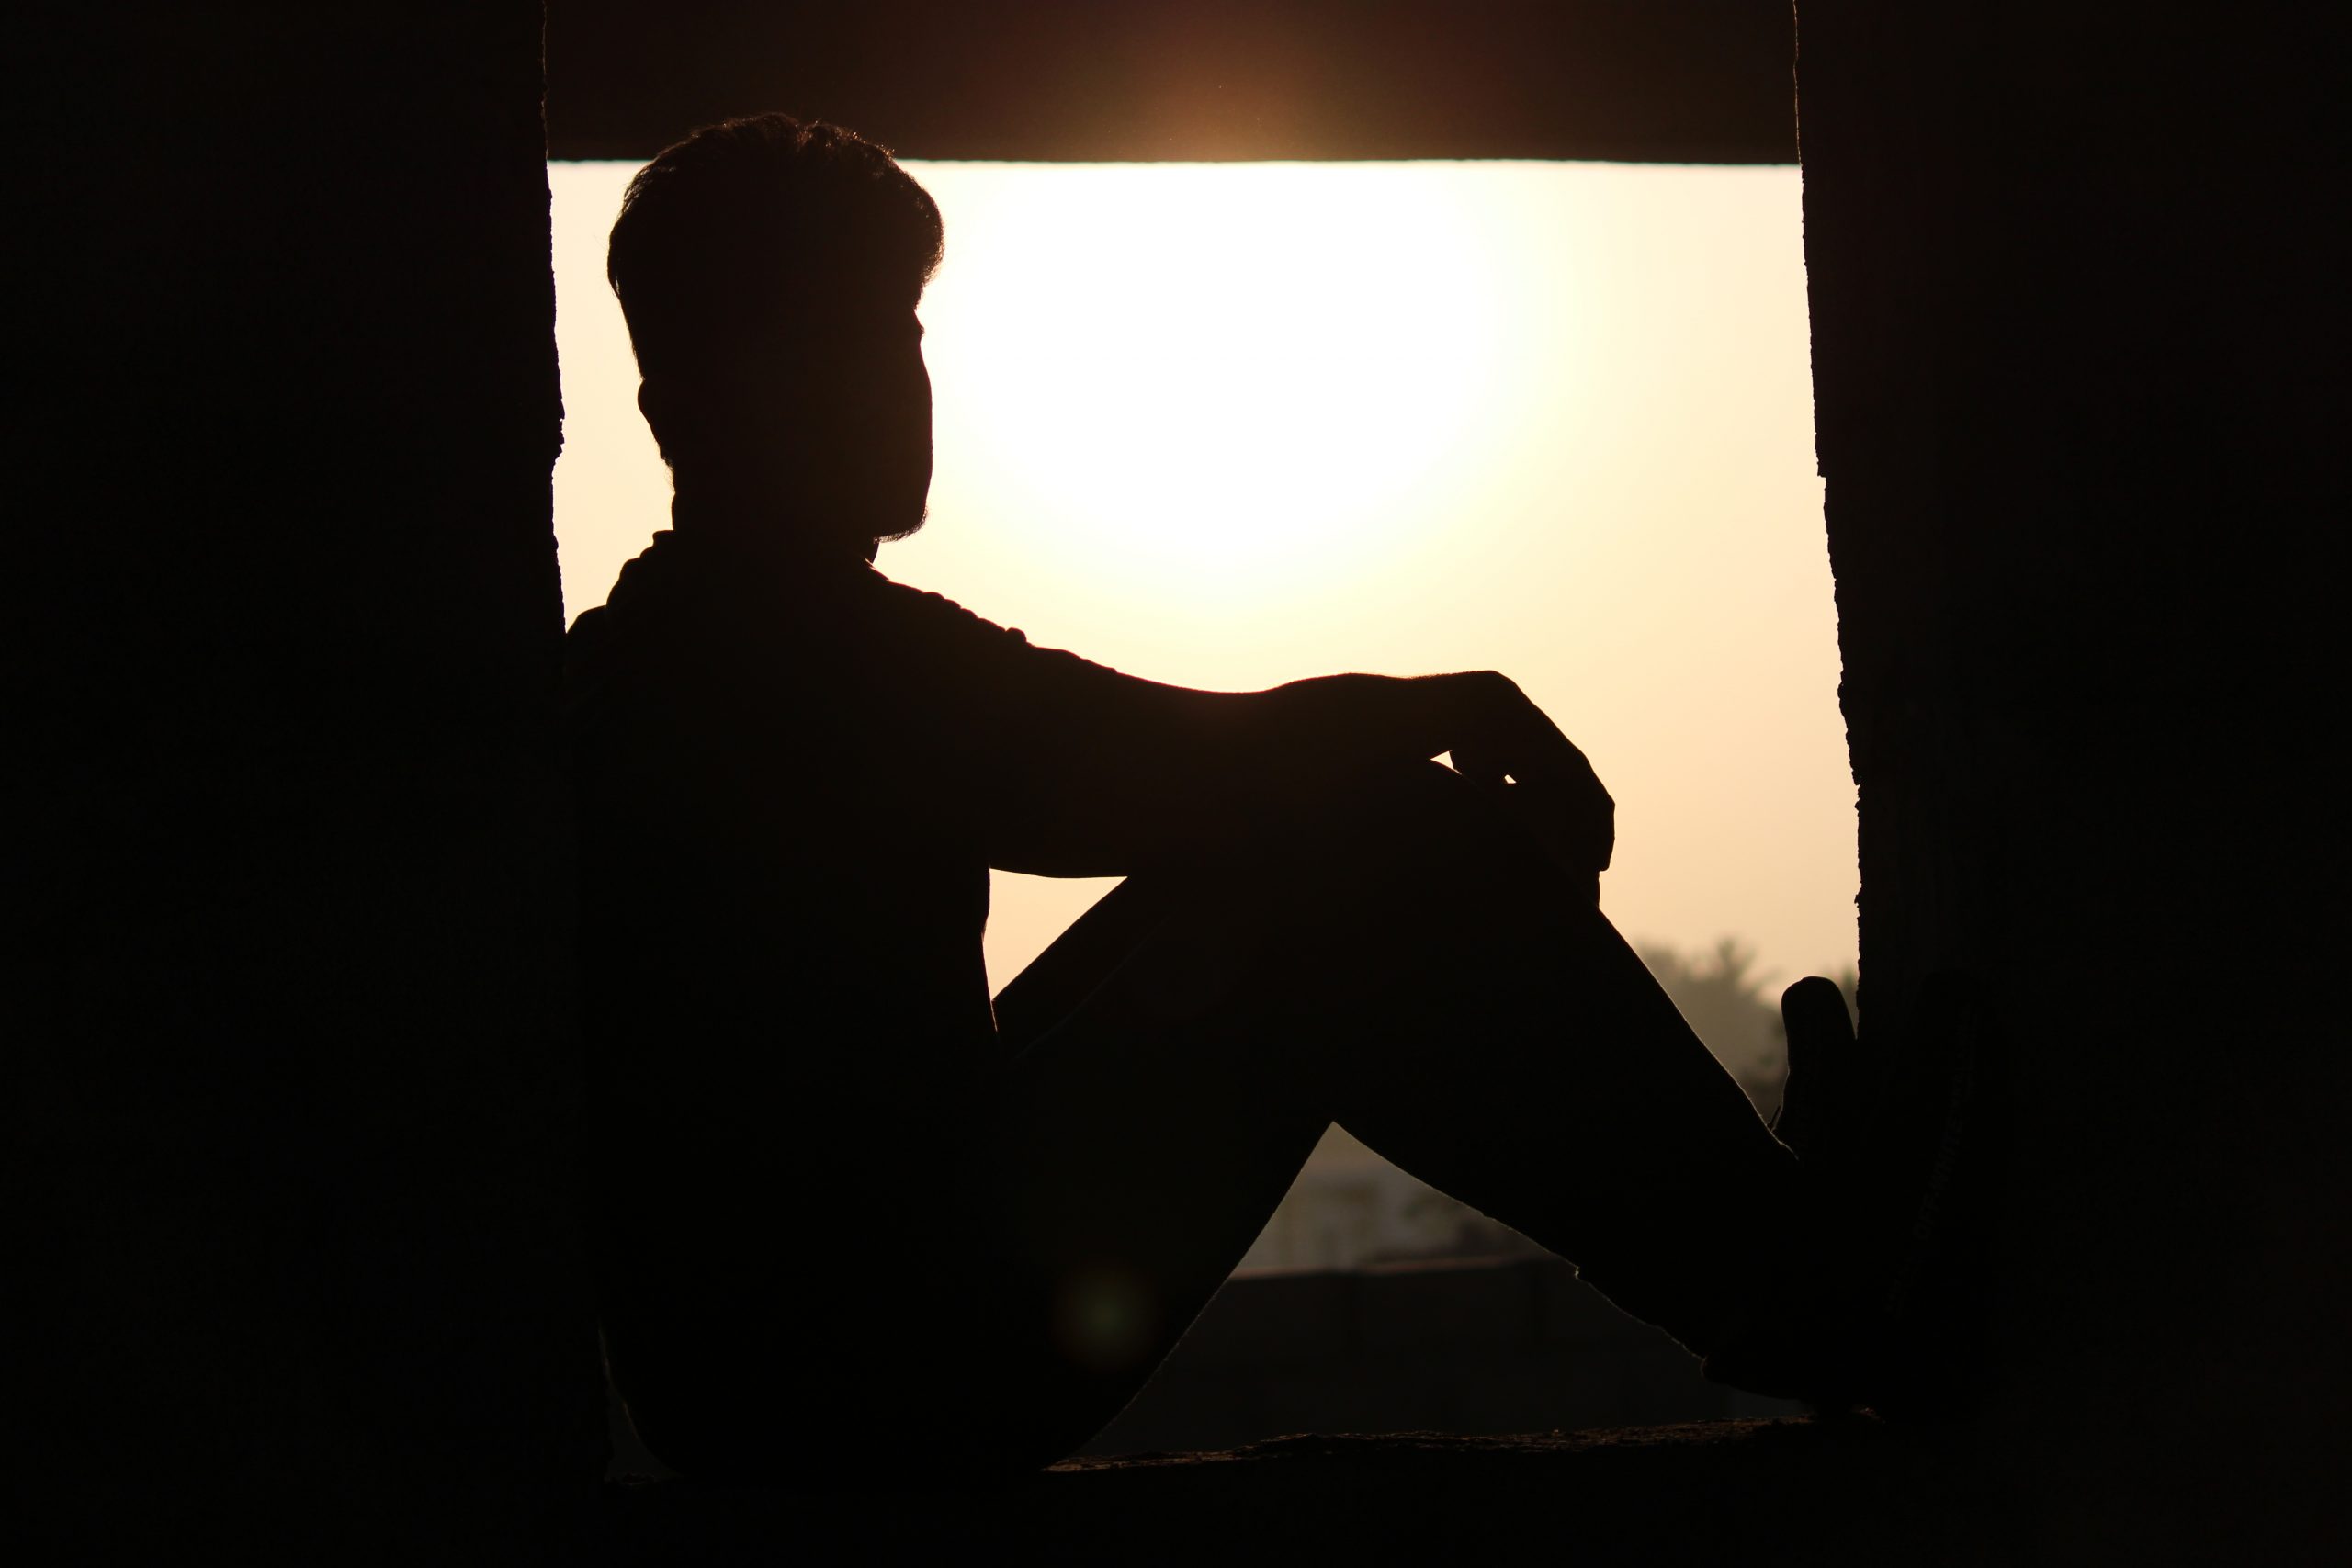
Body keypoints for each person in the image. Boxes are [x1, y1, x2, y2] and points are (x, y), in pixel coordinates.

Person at [565, 114, 1930, 1482]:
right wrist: (1450, 713)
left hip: (804, 1369)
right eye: (848, 342)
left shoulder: (695, 654)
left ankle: (1786, 1262)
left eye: (903, 337)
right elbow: (1170, 762)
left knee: (1311, 833)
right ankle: (1819, 1289)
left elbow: (1168, 772)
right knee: (1362, 843)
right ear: (686, 408)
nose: (897, 384)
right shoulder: (773, 660)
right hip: (861, 1387)